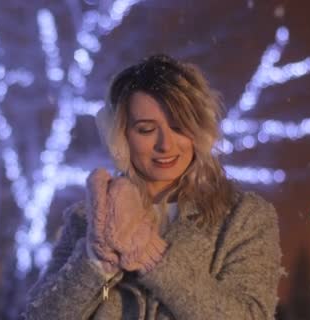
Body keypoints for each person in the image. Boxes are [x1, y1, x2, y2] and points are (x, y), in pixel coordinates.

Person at [22, 54, 282, 319]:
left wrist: (152, 257)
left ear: (199, 131)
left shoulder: (243, 218)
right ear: (120, 137)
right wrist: (96, 262)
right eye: (146, 129)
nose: (165, 145)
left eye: (179, 127)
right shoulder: (87, 219)